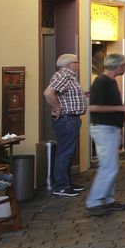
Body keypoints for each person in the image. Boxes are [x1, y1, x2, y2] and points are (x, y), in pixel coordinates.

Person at [87, 54, 125, 216]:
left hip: (111, 128)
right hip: (103, 128)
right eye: (124, 65)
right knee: (108, 167)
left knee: (111, 166)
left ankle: (108, 200)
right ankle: (94, 201)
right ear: (117, 66)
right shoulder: (101, 82)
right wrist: (122, 109)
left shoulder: (111, 82)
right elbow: (94, 108)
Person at [43, 54, 88, 198]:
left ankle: (67, 183)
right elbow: (48, 93)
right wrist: (57, 108)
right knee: (65, 153)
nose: (78, 64)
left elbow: (66, 94)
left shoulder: (68, 76)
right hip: (67, 119)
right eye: (76, 62)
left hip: (71, 119)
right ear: (69, 64)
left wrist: (82, 94)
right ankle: (61, 186)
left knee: (68, 152)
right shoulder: (64, 75)